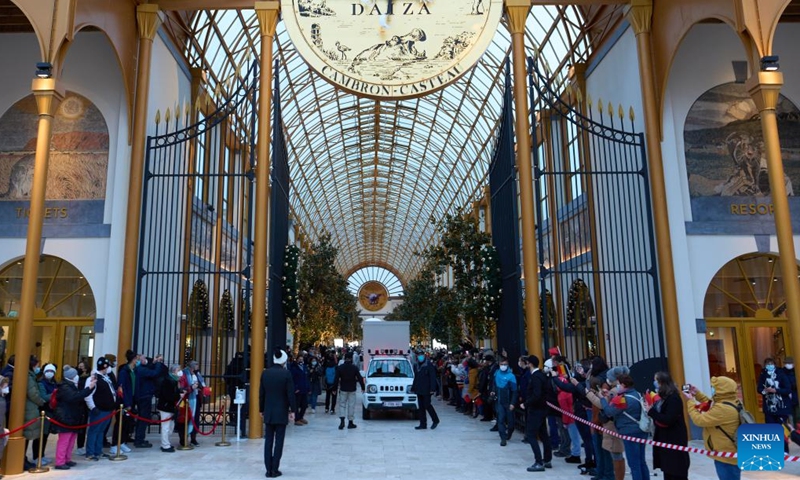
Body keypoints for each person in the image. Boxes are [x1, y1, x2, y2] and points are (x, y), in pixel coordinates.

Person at [684, 377, 740, 480]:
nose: (712, 389)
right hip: (728, 452)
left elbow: (699, 420)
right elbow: (712, 405)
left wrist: (690, 402)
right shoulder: (730, 401)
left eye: (714, 387)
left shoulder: (723, 409)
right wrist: (698, 394)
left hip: (726, 456)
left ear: (722, 390)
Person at [600, 373, 650, 480]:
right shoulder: (637, 394)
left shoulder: (623, 399)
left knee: (634, 464)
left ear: (623, 384)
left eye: (618, 384)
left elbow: (610, 412)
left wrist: (603, 400)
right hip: (641, 430)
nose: (617, 387)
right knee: (641, 461)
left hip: (629, 432)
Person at [645, 371, 689, 480]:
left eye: (656, 380)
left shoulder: (673, 398)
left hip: (673, 439)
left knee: (676, 471)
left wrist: (651, 412)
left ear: (661, 382)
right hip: (664, 440)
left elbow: (668, 419)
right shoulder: (663, 397)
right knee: (668, 471)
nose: (654, 382)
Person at [260, 349, 296, 478]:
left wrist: (261, 409)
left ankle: (268, 469)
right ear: (284, 361)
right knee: (279, 441)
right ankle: (275, 468)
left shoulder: (265, 374)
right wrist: (293, 410)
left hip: (269, 411)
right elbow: (290, 394)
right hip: (281, 412)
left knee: (268, 440)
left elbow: (261, 394)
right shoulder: (286, 374)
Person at [51, 366, 96, 470]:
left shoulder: (71, 385)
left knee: (71, 440)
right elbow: (75, 397)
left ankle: (67, 459)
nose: (77, 376)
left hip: (73, 416)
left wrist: (90, 387)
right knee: (64, 440)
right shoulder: (64, 387)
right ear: (71, 376)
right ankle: (60, 461)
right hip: (65, 417)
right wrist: (89, 388)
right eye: (75, 375)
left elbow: (79, 395)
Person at [521, 355, 552, 472]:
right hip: (542, 409)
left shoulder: (535, 377)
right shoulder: (542, 375)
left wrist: (526, 403)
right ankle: (547, 459)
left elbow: (536, 394)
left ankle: (539, 461)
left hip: (536, 409)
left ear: (530, 364)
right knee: (543, 434)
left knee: (531, 435)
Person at [85, 356, 117, 461]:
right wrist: (93, 407)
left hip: (107, 409)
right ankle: (90, 453)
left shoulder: (104, 377)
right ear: (104, 367)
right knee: (94, 431)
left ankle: (98, 451)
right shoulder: (94, 378)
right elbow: (88, 394)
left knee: (101, 431)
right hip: (99, 409)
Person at [758, 356, 792, 453]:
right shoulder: (763, 375)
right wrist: (764, 391)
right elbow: (759, 388)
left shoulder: (781, 374)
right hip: (769, 407)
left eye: (771, 364)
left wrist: (776, 390)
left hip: (781, 407)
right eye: (767, 364)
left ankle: (785, 449)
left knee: (782, 428)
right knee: (771, 429)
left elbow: (787, 389)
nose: (769, 366)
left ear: (774, 364)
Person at [133, 353, 165, 448]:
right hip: (144, 396)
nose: (145, 360)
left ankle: (140, 438)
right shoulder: (140, 369)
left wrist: (154, 363)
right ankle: (139, 440)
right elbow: (154, 373)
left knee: (143, 418)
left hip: (144, 395)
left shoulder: (140, 369)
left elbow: (149, 369)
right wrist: (158, 363)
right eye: (143, 358)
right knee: (143, 418)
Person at [23, 355, 46, 469]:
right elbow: (33, 393)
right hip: (29, 408)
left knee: (28, 434)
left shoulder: (31, 375)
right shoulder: (29, 376)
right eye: (37, 364)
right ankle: (22, 459)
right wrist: (41, 401)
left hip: (30, 407)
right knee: (27, 434)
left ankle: (24, 458)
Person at [157, 364, 185, 452]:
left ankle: (166, 442)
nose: (180, 372)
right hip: (165, 406)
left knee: (170, 427)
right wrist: (178, 395)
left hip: (171, 406)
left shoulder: (174, 380)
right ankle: (165, 445)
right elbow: (168, 395)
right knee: (166, 427)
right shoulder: (168, 381)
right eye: (178, 370)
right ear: (173, 371)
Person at [333, 351, 364, 429]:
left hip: (343, 388)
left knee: (342, 405)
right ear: (351, 359)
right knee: (351, 405)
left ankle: (342, 421)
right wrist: (363, 387)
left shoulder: (340, 367)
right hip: (352, 389)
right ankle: (350, 422)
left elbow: (336, 379)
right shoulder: (354, 368)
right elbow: (360, 378)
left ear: (345, 358)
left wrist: (334, 389)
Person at [35, 363, 58, 466]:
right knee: (41, 435)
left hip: (51, 411)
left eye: (52, 372)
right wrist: (55, 394)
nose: (50, 373)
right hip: (44, 410)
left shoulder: (53, 382)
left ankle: (42, 455)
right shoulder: (41, 383)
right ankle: (37, 456)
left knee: (46, 435)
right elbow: (43, 396)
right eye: (48, 371)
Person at [412, 351, 440, 430]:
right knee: (421, 407)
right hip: (419, 388)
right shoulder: (416, 365)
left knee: (427, 405)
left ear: (424, 356)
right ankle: (423, 424)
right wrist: (413, 387)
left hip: (427, 389)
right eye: (419, 356)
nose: (420, 357)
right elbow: (416, 377)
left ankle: (435, 420)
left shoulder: (429, 365)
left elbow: (432, 377)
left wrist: (432, 389)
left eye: (421, 355)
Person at [493, 356, 516, 446]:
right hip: (499, 401)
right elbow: (494, 385)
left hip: (509, 402)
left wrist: (513, 403)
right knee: (500, 420)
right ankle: (503, 438)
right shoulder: (496, 374)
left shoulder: (511, 376)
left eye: (505, 364)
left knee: (511, 422)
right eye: (501, 364)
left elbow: (514, 391)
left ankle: (509, 434)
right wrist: (492, 391)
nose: (503, 366)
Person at [288, 355, 310, 425]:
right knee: (297, 405)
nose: (301, 360)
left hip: (304, 389)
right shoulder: (294, 368)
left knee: (304, 404)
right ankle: (296, 419)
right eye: (299, 359)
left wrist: (308, 388)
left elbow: (307, 378)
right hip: (298, 390)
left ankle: (301, 417)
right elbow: (292, 379)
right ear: (296, 360)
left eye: (302, 359)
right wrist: (295, 388)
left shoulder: (304, 367)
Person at [782, 356, 799, 424]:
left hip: (795, 396)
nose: (789, 364)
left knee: (797, 415)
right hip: (787, 397)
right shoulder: (782, 372)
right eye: (787, 363)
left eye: (790, 363)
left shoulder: (796, 371)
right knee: (790, 417)